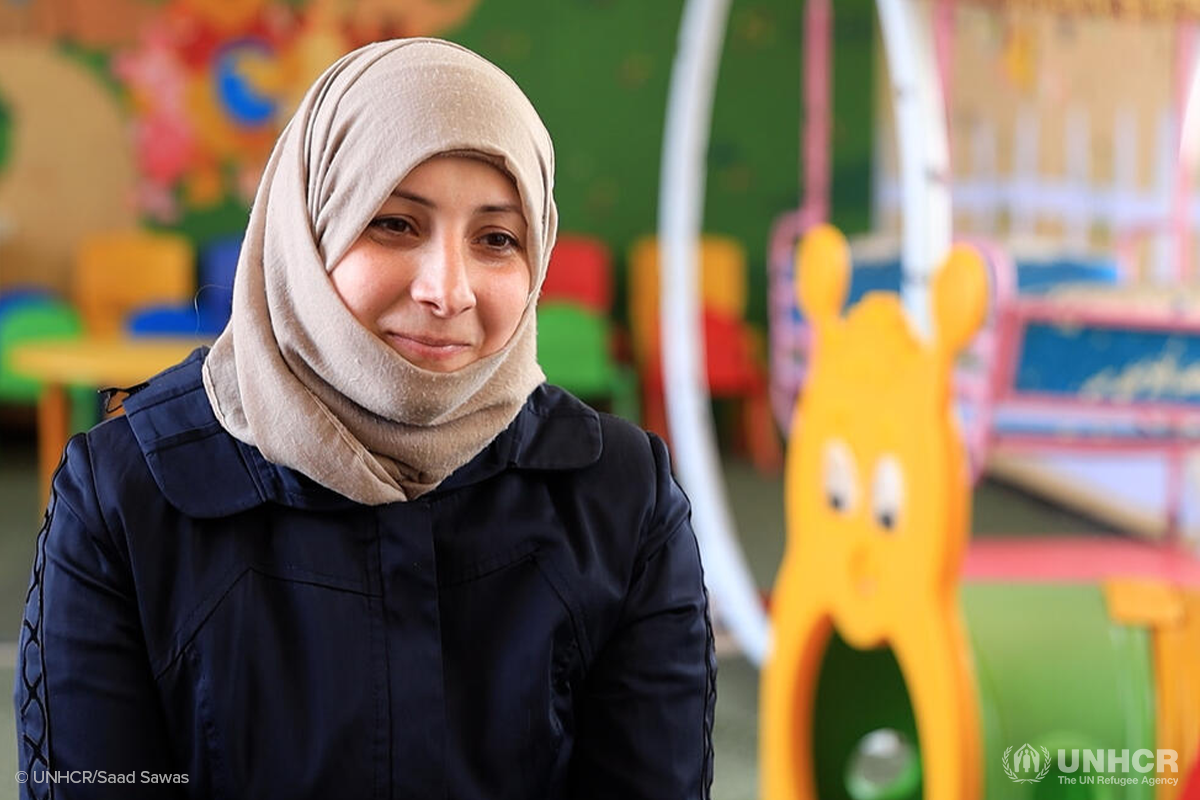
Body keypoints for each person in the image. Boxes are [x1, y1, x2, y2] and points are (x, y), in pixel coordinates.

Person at [15, 38, 715, 799]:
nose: (449, 291)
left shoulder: (618, 497)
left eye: (497, 239)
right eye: (394, 223)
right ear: (308, 227)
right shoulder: (128, 495)